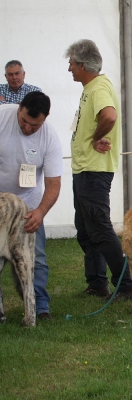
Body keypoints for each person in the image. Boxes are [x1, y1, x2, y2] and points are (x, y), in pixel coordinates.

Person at [65, 39, 132, 299]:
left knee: (99, 229)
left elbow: (109, 116)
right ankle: (96, 282)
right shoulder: (91, 87)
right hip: (85, 169)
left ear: (83, 65)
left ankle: (126, 284)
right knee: (85, 230)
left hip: (93, 171)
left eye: (71, 63)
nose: (69, 68)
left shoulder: (98, 89)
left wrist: (96, 137)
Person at [0, 92, 62, 320]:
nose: (27, 128)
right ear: (19, 108)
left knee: (35, 259)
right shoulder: (2, 119)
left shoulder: (49, 137)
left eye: (34, 125)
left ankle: (39, 307)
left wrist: (40, 212)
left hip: (29, 207)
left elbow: (54, 184)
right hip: (0, 206)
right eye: (24, 121)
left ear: (45, 118)